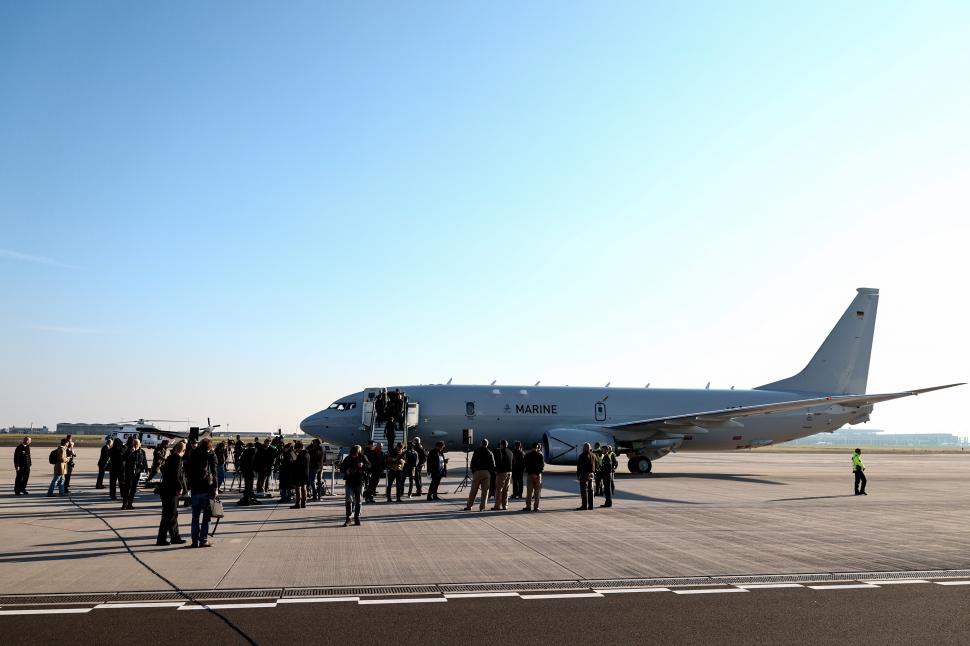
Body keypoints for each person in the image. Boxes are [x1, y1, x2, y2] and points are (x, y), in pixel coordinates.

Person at [187, 437, 218, 547]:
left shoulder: (193, 454)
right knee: (206, 517)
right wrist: (216, 488)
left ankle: (194, 541)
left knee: (195, 517)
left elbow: (188, 471)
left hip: (195, 489)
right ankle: (203, 540)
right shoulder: (211, 456)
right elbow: (214, 473)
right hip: (206, 489)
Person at [156, 440, 187, 546]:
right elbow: (176, 475)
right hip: (171, 491)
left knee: (169, 515)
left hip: (165, 489)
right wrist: (180, 487)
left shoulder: (170, 458)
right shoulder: (178, 459)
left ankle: (173, 537)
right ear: (183, 450)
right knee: (170, 515)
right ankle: (165, 538)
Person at [341, 445, 370, 526]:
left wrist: (363, 465)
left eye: (357, 452)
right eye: (354, 453)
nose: (355, 454)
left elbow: (369, 466)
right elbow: (342, 468)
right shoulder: (348, 458)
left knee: (359, 501)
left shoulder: (363, 457)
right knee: (349, 500)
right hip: (349, 482)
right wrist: (346, 470)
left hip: (360, 482)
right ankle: (348, 518)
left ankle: (357, 517)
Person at [463, 439, 495, 511]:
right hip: (486, 473)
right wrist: (489, 473)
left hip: (477, 472)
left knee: (473, 490)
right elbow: (493, 465)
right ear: (487, 444)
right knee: (485, 491)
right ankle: (482, 507)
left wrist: (473, 471)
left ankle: (469, 506)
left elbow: (472, 463)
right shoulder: (490, 453)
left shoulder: (476, 452)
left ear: (481, 444)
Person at [120, 438, 147, 509]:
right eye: (134, 444)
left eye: (137, 444)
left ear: (139, 444)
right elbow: (123, 458)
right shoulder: (128, 450)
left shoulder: (142, 452)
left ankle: (130, 504)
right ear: (132, 444)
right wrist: (131, 452)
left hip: (137, 473)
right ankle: (124, 504)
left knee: (133, 489)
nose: (135, 445)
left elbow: (144, 461)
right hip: (129, 472)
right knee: (127, 488)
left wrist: (146, 470)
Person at [491, 440, 514, 511]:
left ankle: (497, 506)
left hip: (502, 473)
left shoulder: (500, 451)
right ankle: (505, 505)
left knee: (499, 490)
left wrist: (496, 470)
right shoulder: (510, 452)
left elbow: (499, 462)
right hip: (509, 472)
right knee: (506, 490)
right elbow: (513, 462)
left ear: (502, 445)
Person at [523, 442, 545, 511]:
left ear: (532, 447)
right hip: (538, 476)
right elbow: (542, 466)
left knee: (529, 492)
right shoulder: (540, 455)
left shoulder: (527, 455)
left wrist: (531, 473)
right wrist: (537, 473)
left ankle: (528, 506)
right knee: (537, 492)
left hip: (530, 475)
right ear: (537, 447)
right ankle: (536, 507)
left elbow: (526, 465)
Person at [576, 442, 597, 510]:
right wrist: (594, 472)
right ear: (590, 448)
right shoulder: (593, 455)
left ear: (584, 448)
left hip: (584, 474)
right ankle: (591, 506)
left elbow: (579, 466)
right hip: (591, 474)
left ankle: (584, 505)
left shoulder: (582, 456)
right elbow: (597, 465)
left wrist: (578, 475)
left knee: (584, 490)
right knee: (591, 490)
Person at [291, 441, 310, 509]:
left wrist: (293, 457)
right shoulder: (307, 454)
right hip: (305, 473)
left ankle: (297, 503)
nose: (296, 450)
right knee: (304, 488)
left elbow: (297, 464)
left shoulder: (301, 455)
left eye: (296, 449)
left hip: (299, 474)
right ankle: (303, 503)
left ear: (299, 448)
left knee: (297, 488)